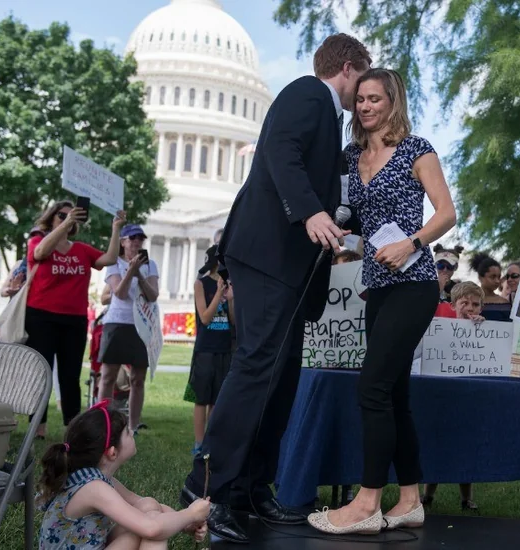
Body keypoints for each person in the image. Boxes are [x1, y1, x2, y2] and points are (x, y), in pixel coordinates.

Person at [180, 34, 372, 544]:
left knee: (281, 377)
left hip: (292, 266)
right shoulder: (308, 93)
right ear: (348, 69)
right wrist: (311, 211)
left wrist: (334, 213)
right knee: (256, 368)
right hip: (267, 256)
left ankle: (249, 490)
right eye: (364, 79)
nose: (364, 92)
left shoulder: (329, 119)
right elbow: (279, 150)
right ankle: (208, 491)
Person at [308, 67, 456, 535]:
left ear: (393, 101)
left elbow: (447, 213)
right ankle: (410, 499)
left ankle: (367, 502)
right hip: (374, 285)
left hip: (415, 284)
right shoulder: (350, 156)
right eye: (362, 99)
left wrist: (411, 242)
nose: (366, 106)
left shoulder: (417, 149)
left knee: (371, 387)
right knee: (393, 393)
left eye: (376, 98)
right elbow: (351, 214)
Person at [38, 402, 210, 549]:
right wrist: (191, 514)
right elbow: (151, 528)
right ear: (112, 452)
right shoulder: (94, 489)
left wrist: (186, 525)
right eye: (127, 431)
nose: (132, 433)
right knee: (152, 530)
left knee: (149, 506)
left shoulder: (93, 479)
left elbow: (143, 503)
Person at [26, 200, 125, 437]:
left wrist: (116, 229)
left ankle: (72, 428)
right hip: (41, 317)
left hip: (74, 320)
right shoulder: (38, 242)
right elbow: (40, 254)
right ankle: (37, 428)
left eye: (73, 216)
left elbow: (109, 259)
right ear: (51, 219)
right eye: (61, 215)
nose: (67, 219)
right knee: (41, 372)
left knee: (70, 376)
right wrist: (65, 223)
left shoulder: (81, 249)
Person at [422, 282, 483, 511]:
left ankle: (466, 498)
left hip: (469, 396)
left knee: (464, 448)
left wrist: (479, 326)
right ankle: (427, 495)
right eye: (464, 303)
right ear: (452, 305)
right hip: (443, 393)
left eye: (475, 304)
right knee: (438, 444)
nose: (470, 308)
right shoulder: (441, 327)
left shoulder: (483, 328)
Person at [98, 224, 160, 433]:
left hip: (141, 325)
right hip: (117, 322)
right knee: (108, 376)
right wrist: (130, 271)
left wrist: (139, 274)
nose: (136, 242)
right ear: (123, 241)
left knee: (137, 378)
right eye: (132, 238)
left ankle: (133, 425)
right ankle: (103, 422)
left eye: (140, 238)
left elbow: (153, 295)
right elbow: (120, 293)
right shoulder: (113, 263)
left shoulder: (150, 265)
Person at [187, 246, 234, 457]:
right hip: (205, 349)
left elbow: (232, 321)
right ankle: (198, 443)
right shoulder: (201, 284)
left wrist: (230, 298)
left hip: (224, 348)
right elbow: (205, 317)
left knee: (217, 399)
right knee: (201, 398)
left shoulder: (229, 285)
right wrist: (218, 293)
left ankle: (210, 443)